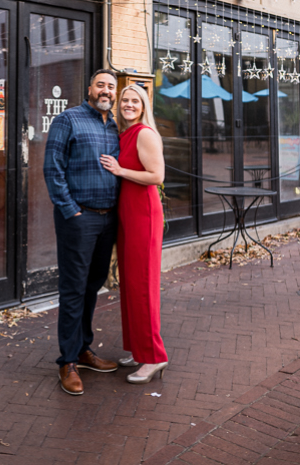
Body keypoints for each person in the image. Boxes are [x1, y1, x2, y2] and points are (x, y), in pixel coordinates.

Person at [43, 68, 122, 395]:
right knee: (74, 288)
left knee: (93, 285)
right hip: (80, 218)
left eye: (111, 87)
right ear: (89, 88)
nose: (106, 90)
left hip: (108, 220)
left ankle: (84, 349)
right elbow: (52, 168)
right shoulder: (69, 120)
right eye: (101, 84)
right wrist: (71, 211)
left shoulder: (114, 125)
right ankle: (67, 361)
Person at [99, 84, 168, 384]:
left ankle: (155, 357)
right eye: (124, 100)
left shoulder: (144, 134)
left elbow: (157, 176)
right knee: (129, 285)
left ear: (143, 106)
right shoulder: (124, 133)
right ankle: (139, 350)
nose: (128, 105)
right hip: (128, 215)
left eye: (134, 101)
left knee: (143, 286)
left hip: (144, 215)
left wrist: (120, 171)